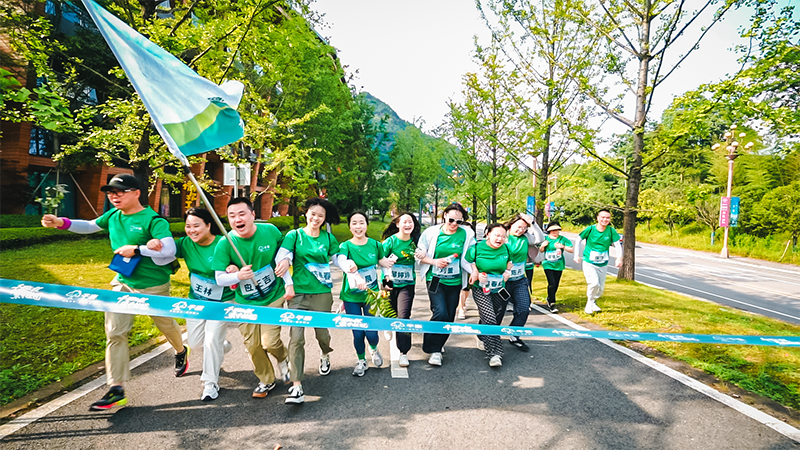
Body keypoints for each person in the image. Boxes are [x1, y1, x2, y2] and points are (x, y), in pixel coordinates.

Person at [40, 174, 187, 411]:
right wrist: (61, 222)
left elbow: (169, 249)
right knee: (115, 333)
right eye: (110, 193)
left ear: (136, 193)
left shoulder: (153, 219)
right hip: (123, 282)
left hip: (153, 285)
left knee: (165, 325)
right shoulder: (113, 215)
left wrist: (137, 249)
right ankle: (116, 388)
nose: (114, 196)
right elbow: (90, 226)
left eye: (120, 192)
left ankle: (180, 350)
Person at [147, 208, 235, 401]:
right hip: (196, 301)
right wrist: (155, 244)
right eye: (188, 226)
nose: (191, 230)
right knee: (195, 343)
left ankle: (210, 383)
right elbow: (166, 251)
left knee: (211, 340)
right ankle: (222, 347)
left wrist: (233, 268)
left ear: (209, 225)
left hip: (222, 302)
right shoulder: (186, 243)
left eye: (196, 225)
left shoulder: (224, 243)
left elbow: (240, 264)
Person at [212, 197, 292, 399]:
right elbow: (219, 278)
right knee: (253, 346)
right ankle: (266, 379)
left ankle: (283, 359)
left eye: (242, 214)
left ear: (253, 215)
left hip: (273, 296)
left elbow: (286, 250)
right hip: (245, 302)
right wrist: (237, 275)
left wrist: (285, 260)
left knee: (270, 342)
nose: (237, 219)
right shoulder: (226, 243)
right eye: (232, 216)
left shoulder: (270, 231)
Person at [275, 197, 340, 404]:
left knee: (322, 334)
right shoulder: (294, 236)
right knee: (296, 339)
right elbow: (282, 257)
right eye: (313, 214)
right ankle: (297, 386)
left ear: (324, 218)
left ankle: (325, 353)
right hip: (298, 295)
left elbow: (337, 258)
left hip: (322, 294)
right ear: (306, 214)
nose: (316, 218)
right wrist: (288, 278)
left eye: (320, 215)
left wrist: (349, 268)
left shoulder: (328, 238)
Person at [415, 203, 475, 366]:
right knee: (440, 312)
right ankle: (433, 349)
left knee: (449, 316)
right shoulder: (431, 233)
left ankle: (439, 343)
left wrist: (474, 271)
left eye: (459, 221)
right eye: (451, 220)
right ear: (444, 216)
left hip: (455, 280)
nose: (454, 224)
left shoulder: (467, 234)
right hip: (435, 279)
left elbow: (471, 255)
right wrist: (434, 261)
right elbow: (419, 255)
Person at [338, 211, 392, 376]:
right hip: (351, 297)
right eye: (354, 223)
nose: (358, 226)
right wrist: (349, 265)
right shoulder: (345, 246)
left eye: (361, 222)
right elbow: (341, 260)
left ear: (367, 225)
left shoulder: (375, 245)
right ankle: (361, 360)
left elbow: (383, 262)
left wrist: (387, 276)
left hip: (371, 295)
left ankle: (374, 349)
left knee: (371, 332)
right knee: (358, 332)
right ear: (349, 227)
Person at [465, 223, 512, 367]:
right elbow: (468, 262)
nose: (500, 239)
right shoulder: (476, 248)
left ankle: (481, 334)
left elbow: (509, 262)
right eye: (497, 235)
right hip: (481, 288)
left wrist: (507, 272)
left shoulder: (506, 248)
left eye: (503, 236)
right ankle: (495, 354)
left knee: (495, 316)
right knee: (490, 318)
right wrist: (475, 272)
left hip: (499, 289)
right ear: (488, 234)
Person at [381, 212, 421, 367]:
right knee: (389, 313)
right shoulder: (390, 242)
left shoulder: (415, 242)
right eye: (404, 222)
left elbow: (423, 256)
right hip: (389, 283)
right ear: (397, 224)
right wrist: (386, 278)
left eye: (410, 222)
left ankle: (403, 352)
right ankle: (387, 324)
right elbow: (380, 260)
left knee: (403, 316)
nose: (407, 225)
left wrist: (422, 253)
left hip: (407, 284)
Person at [574, 209, 623, 314]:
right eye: (603, 217)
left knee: (600, 287)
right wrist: (576, 255)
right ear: (598, 218)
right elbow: (578, 240)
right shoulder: (590, 229)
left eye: (607, 218)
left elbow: (617, 245)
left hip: (603, 263)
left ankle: (593, 302)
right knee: (593, 283)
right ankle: (589, 303)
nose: (605, 220)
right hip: (589, 262)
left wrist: (619, 258)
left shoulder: (611, 231)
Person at [503, 214, 537, 351]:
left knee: (523, 307)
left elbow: (540, 238)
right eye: (518, 227)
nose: (521, 230)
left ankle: (514, 335)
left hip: (519, 280)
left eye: (524, 228)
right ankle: (485, 336)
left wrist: (532, 223)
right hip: (502, 282)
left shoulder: (525, 238)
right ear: (511, 225)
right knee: (497, 311)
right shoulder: (504, 237)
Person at [539, 222, 574, 313]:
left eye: (557, 230)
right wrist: (543, 246)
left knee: (556, 284)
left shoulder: (562, 239)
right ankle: (552, 303)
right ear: (549, 231)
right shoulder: (545, 239)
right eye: (553, 230)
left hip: (559, 264)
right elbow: (540, 250)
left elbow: (571, 250)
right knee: (552, 283)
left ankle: (549, 297)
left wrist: (563, 246)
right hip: (548, 264)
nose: (555, 232)